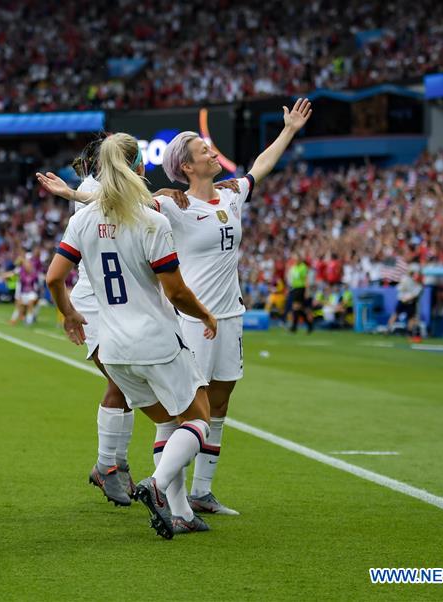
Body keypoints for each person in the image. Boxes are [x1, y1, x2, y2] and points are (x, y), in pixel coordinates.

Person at [36, 137, 237, 507]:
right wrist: (205, 313)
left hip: (108, 320)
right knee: (184, 417)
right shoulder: (146, 216)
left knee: (142, 402)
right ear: (137, 167)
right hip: (135, 323)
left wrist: (66, 313)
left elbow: (54, 274)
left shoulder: (96, 206)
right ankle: (131, 475)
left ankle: (154, 492)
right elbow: (174, 290)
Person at [158, 98, 313, 515]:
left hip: (230, 316)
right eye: (203, 151)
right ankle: (165, 489)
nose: (213, 152)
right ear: (187, 167)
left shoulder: (230, 194)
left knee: (221, 403)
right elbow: (124, 203)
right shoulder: (173, 203)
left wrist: (289, 131)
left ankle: (201, 492)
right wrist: (73, 193)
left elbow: (259, 167)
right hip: (193, 319)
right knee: (192, 407)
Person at [287, 254, 314, 334]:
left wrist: (306, 290)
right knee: (299, 309)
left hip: (301, 289)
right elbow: (292, 279)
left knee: (296, 307)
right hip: (295, 289)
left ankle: (294, 327)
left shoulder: (303, 267)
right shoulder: (294, 267)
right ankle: (309, 326)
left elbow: (306, 279)